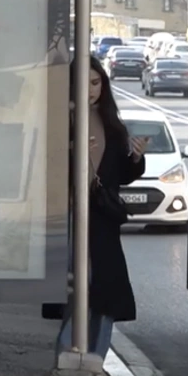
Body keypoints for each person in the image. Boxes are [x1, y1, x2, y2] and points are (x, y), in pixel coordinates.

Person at [55, 56, 149, 358]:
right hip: (69, 216)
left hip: (101, 220)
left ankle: (96, 358)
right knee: (78, 289)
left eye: (96, 83)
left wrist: (136, 157)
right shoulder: (61, 119)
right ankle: (67, 353)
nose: (90, 90)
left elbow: (121, 175)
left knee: (104, 293)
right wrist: (73, 152)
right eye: (83, 83)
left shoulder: (111, 123)